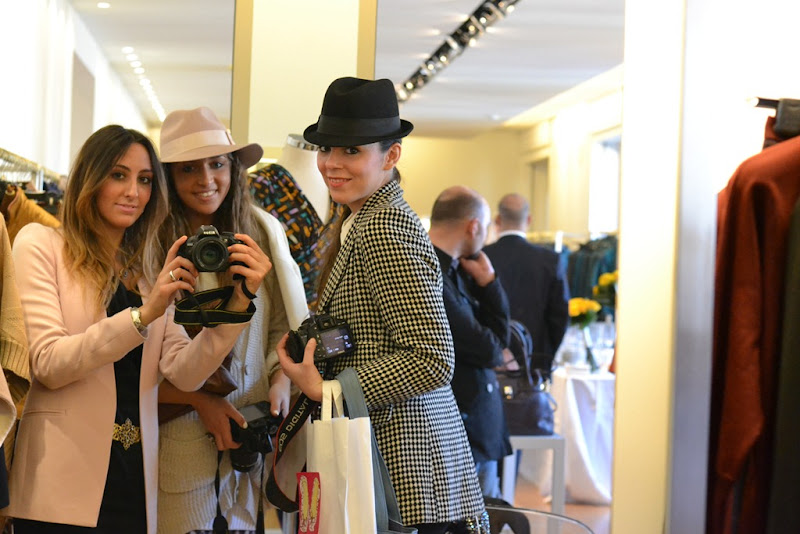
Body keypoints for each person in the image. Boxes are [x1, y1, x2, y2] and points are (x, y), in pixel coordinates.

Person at [5, 125, 256, 533]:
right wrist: (142, 315)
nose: (133, 192)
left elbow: (185, 373)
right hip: (58, 486)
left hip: (135, 482)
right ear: (90, 179)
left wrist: (238, 306)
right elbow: (48, 364)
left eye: (144, 180)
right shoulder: (41, 244)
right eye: (118, 175)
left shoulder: (148, 269)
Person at [275, 77, 489, 534]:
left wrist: (328, 389)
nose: (332, 163)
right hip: (381, 456)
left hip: (403, 469)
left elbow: (432, 359)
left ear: (391, 156)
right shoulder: (359, 219)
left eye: (351, 150)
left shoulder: (383, 228)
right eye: (326, 148)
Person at [151, 107, 307, 534]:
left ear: (234, 169)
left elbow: (281, 325)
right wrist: (200, 401)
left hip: (252, 436)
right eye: (188, 169)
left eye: (218, 164)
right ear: (169, 177)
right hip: (181, 442)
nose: (206, 180)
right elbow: (138, 361)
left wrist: (280, 380)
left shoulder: (261, 231)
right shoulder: (155, 242)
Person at [428, 185, 513, 499]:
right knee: (477, 517)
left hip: (472, 427)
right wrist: (489, 286)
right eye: (487, 226)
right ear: (473, 226)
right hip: (460, 432)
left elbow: (495, 340)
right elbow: (491, 349)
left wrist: (488, 283)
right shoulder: (431, 273)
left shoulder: (458, 269)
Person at [483, 193, 569, 375]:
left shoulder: (482, 257)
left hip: (490, 362)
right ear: (529, 220)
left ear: (497, 220)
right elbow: (560, 316)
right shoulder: (550, 260)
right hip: (535, 360)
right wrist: (547, 356)